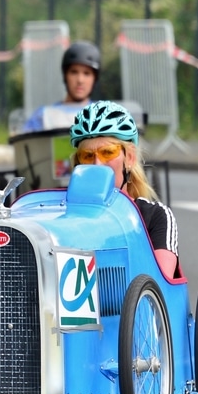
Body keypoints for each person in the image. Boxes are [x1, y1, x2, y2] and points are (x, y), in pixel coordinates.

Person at [69, 100, 179, 279]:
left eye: (108, 152)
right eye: (88, 156)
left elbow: (160, 284)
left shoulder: (155, 216)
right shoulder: (68, 218)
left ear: (129, 158)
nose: (98, 164)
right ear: (78, 164)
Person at [21, 40, 100, 133]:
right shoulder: (43, 116)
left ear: (95, 78)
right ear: (65, 75)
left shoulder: (104, 117)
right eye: (74, 72)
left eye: (87, 73)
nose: (80, 80)